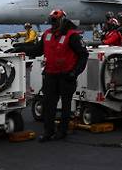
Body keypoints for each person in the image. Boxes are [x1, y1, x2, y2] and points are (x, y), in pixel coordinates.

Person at [28, 9, 89, 142]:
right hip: (50, 74)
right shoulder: (47, 34)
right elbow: (37, 50)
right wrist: (21, 48)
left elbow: (83, 55)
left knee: (66, 105)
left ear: (62, 20)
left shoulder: (72, 35)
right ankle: (48, 132)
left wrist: (75, 72)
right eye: (52, 22)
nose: (53, 24)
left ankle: (62, 131)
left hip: (66, 76)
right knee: (48, 104)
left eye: (55, 21)